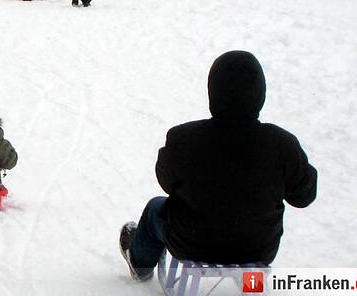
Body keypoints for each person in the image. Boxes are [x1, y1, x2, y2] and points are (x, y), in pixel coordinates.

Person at [119, 51, 317, 281]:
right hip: (257, 247)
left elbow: (166, 181)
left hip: (192, 242)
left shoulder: (184, 139)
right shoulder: (282, 145)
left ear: (213, 93)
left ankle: (140, 264)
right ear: (260, 94)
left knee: (155, 208)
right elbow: (304, 196)